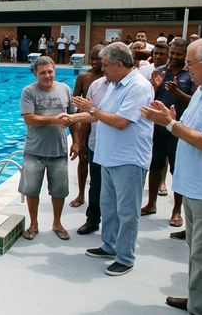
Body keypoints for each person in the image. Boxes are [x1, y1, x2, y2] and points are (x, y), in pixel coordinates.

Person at [139, 37, 202, 315]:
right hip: (194, 185)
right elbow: (193, 127)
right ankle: (198, 298)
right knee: (195, 251)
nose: (185, 68)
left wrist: (170, 125)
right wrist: (171, 119)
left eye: (190, 63)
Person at [69, 42, 153, 276]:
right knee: (109, 206)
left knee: (127, 212)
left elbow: (120, 121)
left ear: (118, 64)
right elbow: (101, 116)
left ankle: (125, 257)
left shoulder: (138, 87)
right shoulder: (115, 85)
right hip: (108, 157)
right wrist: (72, 118)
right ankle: (110, 245)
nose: (101, 69)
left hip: (128, 159)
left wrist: (93, 110)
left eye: (105, 65)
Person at [19, 56, 78, 241]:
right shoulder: (28, 92)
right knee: (31, 190)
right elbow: (29, 118)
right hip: (34, 151)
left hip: (58, 151)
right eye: (42, 72)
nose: (47, 76)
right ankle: (34, 223)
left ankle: (57, 222)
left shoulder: (65, 89)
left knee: (59, 191)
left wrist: (76, 141)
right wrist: (54, 119)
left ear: (55, 71)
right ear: (35, 73)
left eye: (50, 71)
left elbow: (72, 118)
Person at [140, 39, 193, 228]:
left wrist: (176, 91)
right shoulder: (160, 71)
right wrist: (154, 87)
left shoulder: (191, 74)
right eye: (173, 53)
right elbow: (147, 100)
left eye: (179, 54)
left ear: (186, 55)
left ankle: (176, 210)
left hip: (178, 129)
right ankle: (151, 203)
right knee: (154, 165)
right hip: (158, 128)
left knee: (176, 170)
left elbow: (193, 102)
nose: (174, 57)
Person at [69, 45, 105, 210]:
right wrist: (75, 124)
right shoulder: (84, 76)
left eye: (98, 58)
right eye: (92, 58)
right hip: (85, 123)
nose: (95, 62)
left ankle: (101, 195)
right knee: (83, 159)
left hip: (103, 123)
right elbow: (75, 101)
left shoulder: (109, 77)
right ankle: (81, 194)